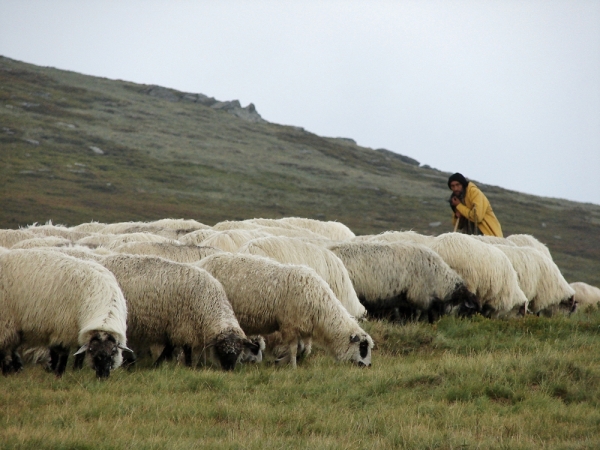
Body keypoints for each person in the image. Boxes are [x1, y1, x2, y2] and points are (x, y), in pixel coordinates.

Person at [448, 173, 503, 237]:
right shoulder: (456, 199)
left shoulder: (474, 192)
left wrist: (459, 206)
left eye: (458, 185)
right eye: (452, 186)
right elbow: (458, 225)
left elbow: (477, 217)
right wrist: (457, 215)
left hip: (486, 235)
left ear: (463, 184)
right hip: (470, 235)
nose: (455, 188)